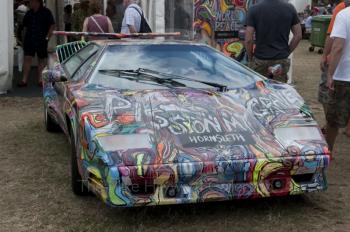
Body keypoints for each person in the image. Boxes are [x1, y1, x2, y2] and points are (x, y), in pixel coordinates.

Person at [245, 0, 302, 83]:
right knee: (278, 92)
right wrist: (286, 52)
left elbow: (248, 40)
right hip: (280, 60)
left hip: (260, 60)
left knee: (260, 90)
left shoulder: (254, 9)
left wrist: (250, 59)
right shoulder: (290, 8)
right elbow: (298, 35)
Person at [319, 0, 350, 136]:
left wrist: (330, 74)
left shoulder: (343, 13)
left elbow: (337, 46)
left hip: (344, 75)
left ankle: (329, 151)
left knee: (333, 120)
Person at [18, 0, 55, 87]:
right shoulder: (29, 13)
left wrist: (47, 37)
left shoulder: (46, 12)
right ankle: (24, 80)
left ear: (36, 2)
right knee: (27, 59)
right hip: (29, 40)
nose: (29, 3)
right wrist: (23, 40)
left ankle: (40, 80)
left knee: (41, 60)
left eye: (31, 1)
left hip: (41, 40)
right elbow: (24, 26)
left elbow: (52, 25)